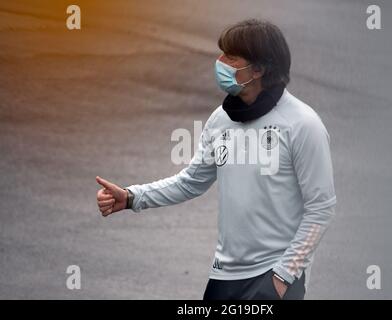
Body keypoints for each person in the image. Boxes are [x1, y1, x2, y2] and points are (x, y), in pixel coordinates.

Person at [96, 19, 337, 300]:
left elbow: (321, 208)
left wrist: (283, 277)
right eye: (221, 53)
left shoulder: (302, 125)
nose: (219, 62)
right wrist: (132, 197)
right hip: (225, 276)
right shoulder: (221, 120)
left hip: (274, 277)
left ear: (258, 69)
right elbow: (191, 182)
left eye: (231, 57)